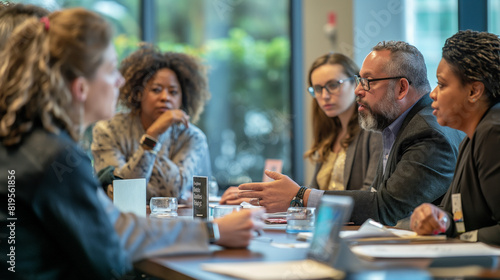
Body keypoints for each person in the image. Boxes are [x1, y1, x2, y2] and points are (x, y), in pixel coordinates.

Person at [0, 8, 263, 280]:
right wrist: (214, 232)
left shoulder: (25, 144)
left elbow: (113, 223)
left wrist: (212, 230)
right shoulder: (56, 160)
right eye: (112, 69)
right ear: (81, 88)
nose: (121, 81)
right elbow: (111, 251)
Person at [230, 41, 465, 227]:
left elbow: (385, 208)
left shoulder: (426, 133)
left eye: (368, 82)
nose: (358, 90)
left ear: (402, 87)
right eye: (359, 80)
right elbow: (376, 199)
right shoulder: (395, 124)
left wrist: (301, 195)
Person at [221, 53, 381, 205]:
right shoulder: (330, 134)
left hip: (357, 229)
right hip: (330, 225)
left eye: (333, 85)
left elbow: (370, 196)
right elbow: (312, 195)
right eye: (318, 88)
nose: (324, 95)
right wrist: (258, 198)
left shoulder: (374, 130)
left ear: (355, 82)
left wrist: (293, 196)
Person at [410, 30, 500, 246]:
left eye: (442, 85)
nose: (433, 94)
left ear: (474, 92)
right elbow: (457, 218)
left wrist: (460, 238)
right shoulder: (472, 136)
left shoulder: (493, 133)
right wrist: (437, 219)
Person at [92, 44, 212, 203]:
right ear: (138, 93)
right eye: (156, 89)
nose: (165, 97)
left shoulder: (192, 137)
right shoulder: (109, 130)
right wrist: (152, 136)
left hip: (178, 224)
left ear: (184, 98)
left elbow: (174, 191)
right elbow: (122, 193)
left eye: (173, 92)